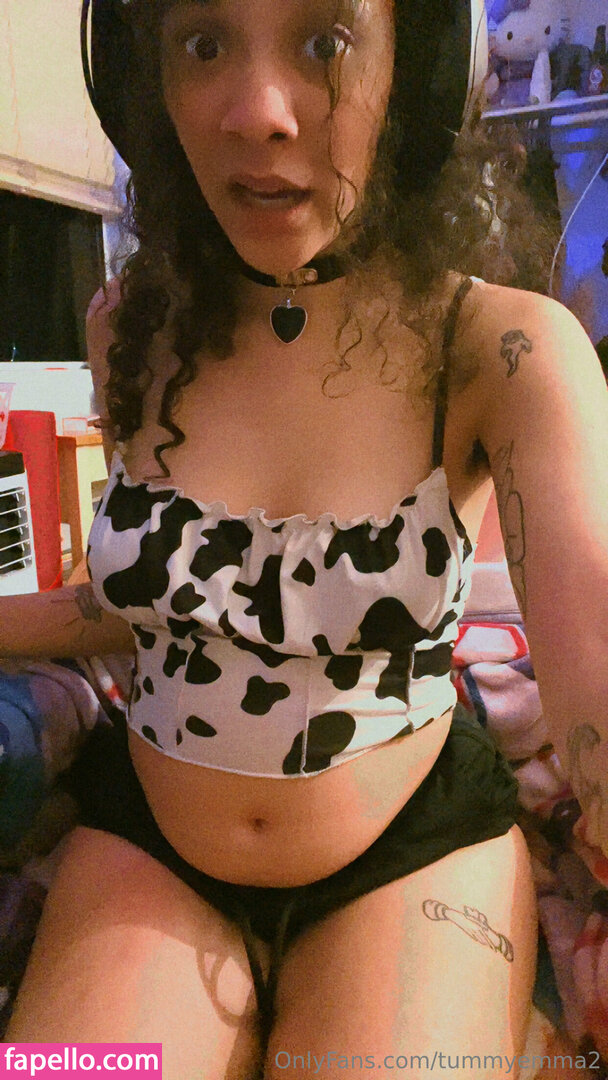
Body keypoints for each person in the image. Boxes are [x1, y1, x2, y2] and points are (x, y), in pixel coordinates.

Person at [5, 0, 608, 1076]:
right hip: (150, 839)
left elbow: (594, 645)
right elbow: (138, 604)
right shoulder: (130, 326)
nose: (258, 112)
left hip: (413, 851)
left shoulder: (501, 344)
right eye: (203, 45)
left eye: (325, 43)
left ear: (412, 70)